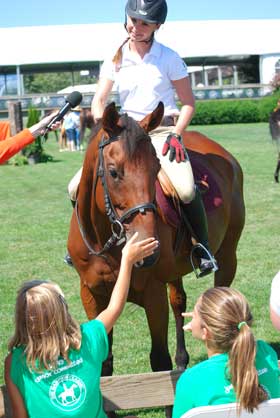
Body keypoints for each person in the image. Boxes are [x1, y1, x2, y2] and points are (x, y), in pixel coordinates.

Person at [66, 0, 217, 277]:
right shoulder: (116, 56)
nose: (136, 27)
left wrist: (176, 134)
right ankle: (85, 242)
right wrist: (104, 125)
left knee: (184, 188)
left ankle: (202, 248)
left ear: (158, 26)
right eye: (133, 20)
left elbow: (188, 103)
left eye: (144, 23)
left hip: (160, 131)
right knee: (75, 186)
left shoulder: (169, 58)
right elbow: (99, 99)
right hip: (125, 134)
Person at [4, 232, 158, 418]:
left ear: (22, 320)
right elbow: (115, 308)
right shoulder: (86, 340)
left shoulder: (15, 362)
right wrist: (126, 261)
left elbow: (21, 415)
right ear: (62, 313)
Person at [172, 287, 280, 418]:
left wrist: (201, 328)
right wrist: (202, 324)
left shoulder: (191, 381)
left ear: (206, 332)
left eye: (194, 316)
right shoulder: (265, 353)